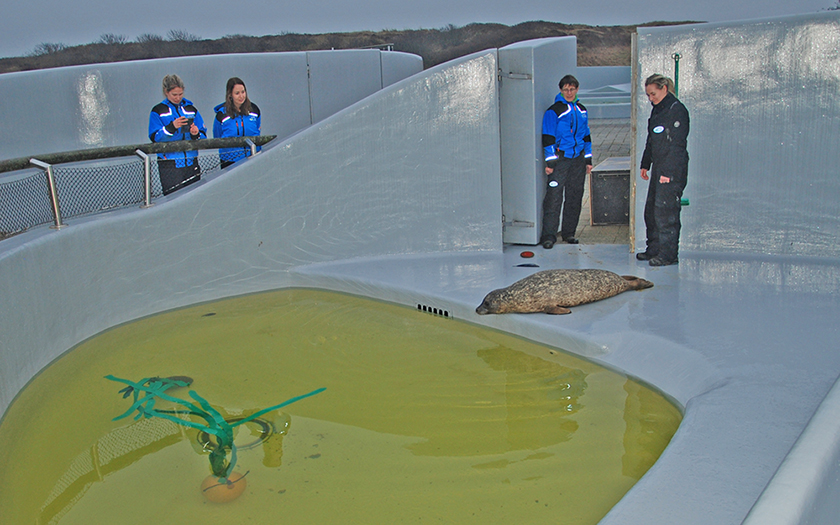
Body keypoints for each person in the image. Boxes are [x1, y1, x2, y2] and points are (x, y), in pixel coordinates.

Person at [636, 74, 690, 266]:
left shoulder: (676, 110)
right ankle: (654, 249)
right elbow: (652, 139)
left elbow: (676, 146)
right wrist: (645, 164)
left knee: (666, 212)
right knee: (651, 210)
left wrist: (668, 173)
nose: (651, 98)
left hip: (671, 168)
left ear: (664, 88)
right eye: (648, 95)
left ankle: (668, 254)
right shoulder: (658, 111)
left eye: (653, 94)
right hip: (659, 166)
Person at [539, 74, 593, 249]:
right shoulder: (554, 110)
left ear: (577, 89)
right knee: (554, 197)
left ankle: (569, 233)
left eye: (572, 89)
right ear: (561, 90)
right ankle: (549, 235)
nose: (569, 92)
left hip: (577, 159)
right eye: (565, 89)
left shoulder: (582, 110)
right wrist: (550, 163)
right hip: (561, 159)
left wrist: (588, 160)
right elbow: (548, 137)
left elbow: (586, 136)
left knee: (575, 196)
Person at [148, 74, 207, 195]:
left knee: (195, 198)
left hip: (191, 162)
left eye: (180, 94)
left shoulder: (191, 109)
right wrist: (171, 127)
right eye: (174, 95)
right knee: (173, 199)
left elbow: (203, 135)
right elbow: (155, 138)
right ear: (166, 92)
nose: (178, 98)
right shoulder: (158, 111)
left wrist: (196, 133)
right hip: (170, 165)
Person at [213, 77, 261, 169]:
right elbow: (217, 136)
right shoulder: (222, 114)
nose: (241, 96)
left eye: (243, 92)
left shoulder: (254, 110)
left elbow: (257, 128)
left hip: (253, 157)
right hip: (230, 161)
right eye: (237, 93)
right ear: (230, 95)